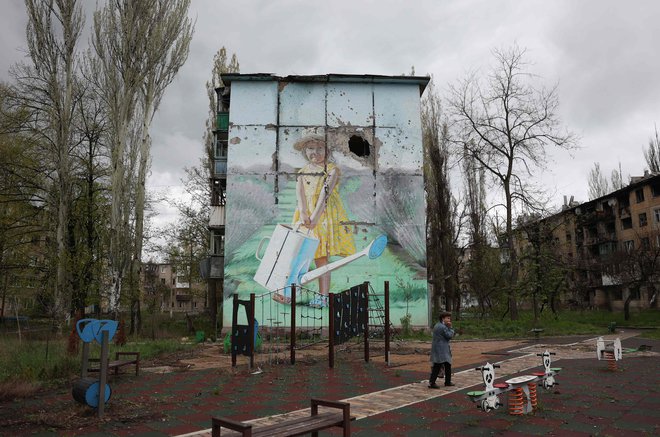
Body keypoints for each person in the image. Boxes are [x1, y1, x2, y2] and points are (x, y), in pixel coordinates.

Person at [273, 135, 355, 308]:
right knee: (297, 257)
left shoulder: (331, 170)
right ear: (304, 151)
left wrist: (315, 217)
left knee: (321, 259)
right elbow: (300, 194)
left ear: (327, 151)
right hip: (305, 217)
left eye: (320, 148)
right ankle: (288, 293)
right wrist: (303, 213)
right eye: (311, 148)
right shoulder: (302, 172)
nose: (315, 152)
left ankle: (323, 296)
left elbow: (325, 195)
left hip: (324, 217)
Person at [428, 311, 455, 388]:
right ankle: (432, 383)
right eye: (448, 318)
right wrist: (451, 327)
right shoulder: (442, 327)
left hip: (440, 349)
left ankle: (447, 381)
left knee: (447, 365)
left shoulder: (438, 325)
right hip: (441, 350)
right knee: (438, 366)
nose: (449, 319)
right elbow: (449, 335)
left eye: (450, 318)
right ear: (443, 318)